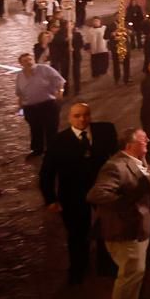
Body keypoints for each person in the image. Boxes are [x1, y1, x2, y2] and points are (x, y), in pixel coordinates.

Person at [86, 127, 150, 299]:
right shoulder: (115, 166)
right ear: (130, 145)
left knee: (136, 272)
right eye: (143, 139)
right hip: (126, 231)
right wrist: (128, 207)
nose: (148, 140)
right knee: (131, 273)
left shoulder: (141, 160)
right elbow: (96, 194)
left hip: (141, 228)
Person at [38, 102, 119, 284]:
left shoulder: (105, 130)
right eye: (77, 116)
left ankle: (107, 265)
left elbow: (116, 158)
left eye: (86, 114)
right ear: (69, 118)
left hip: (102, 191)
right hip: (73, 195)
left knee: (106, 227)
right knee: (77, 233)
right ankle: (78, 267)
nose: (82, 119)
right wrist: (50, 198)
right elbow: (47, 172)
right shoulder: (58, 141)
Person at [15, 51, 64, 157]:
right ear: (21, 64)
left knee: (51, 128)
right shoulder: (20, 76)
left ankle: (53, 151)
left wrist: (60, 92)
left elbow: (60, 80)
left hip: (48, 105)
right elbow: (19, 93)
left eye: (30, 59)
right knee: (35, 129)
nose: (29, 62)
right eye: (25, 61)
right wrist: (20, 108)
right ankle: (37, 149)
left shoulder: (44, 69)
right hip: (30, 108)